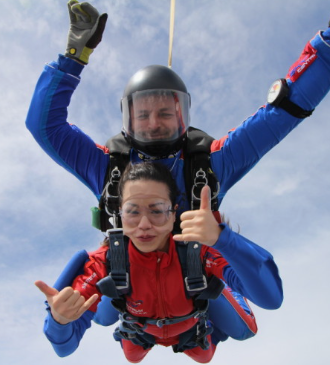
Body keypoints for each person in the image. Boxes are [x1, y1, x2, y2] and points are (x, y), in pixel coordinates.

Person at [26, 0, 330, 342]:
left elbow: (284, 111)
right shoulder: (110, 167)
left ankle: (200, 329)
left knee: (241, 330)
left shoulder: (210, 164)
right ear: (127, 119)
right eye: (142, 114)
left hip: (198, 271)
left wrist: (327, 49)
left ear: (183, 116)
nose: (153, 123)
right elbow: (44, 127)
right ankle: (143, 326)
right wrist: (73, 55)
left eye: (165, 113)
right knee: (103, 315)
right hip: (131, 278)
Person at [35, 162, 283, 363]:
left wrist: (223, 239)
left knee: (220, 344)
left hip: (191, 325)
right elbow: (64, 349)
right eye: (133, 211)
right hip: (140, 327)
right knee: (130, 354)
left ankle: (213, 299)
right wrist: (59, 320)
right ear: (120, 214)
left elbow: (271, 298)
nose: (144, 224)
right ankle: (129, 320)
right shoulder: (107, 260)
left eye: (157, 210)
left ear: (173, 213)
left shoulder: (199, 250)